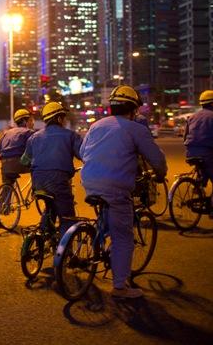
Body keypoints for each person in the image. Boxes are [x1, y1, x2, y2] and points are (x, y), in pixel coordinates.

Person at [80, 85, 166, 298]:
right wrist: (160, 174)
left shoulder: (95, 126)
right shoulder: (136, 129)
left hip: (89, 181)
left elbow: (82, 152)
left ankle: (97, 241)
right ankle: (120, 287)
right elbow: (156, 159)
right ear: (134, 109)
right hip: (115, 187)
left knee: (108, 214)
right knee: (122, 235)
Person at [21, 102, 82, 235]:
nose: (65, 120)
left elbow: (24, 161)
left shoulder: (34, 137)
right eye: (64, 117)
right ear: (59, 119)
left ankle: (42, 237)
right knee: (67, 218)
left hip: (38, 184)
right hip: (58, 182)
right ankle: (66, 252)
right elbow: (84, 155)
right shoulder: (71, 136)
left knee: (50, 207)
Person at [0, 109, 35, 227]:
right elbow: (35, 148)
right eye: (30, 120)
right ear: (25, 121)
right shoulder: (28, 132)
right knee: (37, 167)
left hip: (5, 164)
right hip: (19, 163)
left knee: (6, 187)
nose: (32, 123)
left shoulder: (7, 133)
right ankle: (37, 190)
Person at [183, 90, 213, 206]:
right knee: (208, 163)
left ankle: (198, 187)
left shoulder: (192, 117)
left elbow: (185, 136)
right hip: (207, 153)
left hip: (191, 153)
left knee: (204, 168)